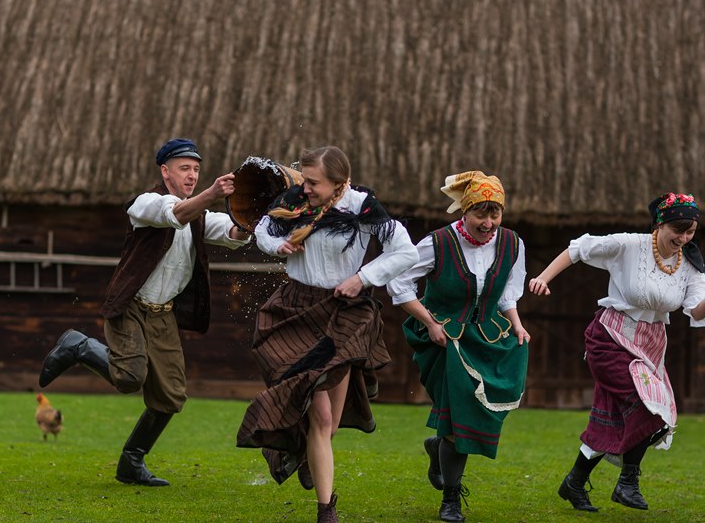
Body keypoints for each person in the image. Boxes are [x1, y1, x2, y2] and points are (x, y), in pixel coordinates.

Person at [38, 138, 252, 486]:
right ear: (165, 171)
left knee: (170, 396)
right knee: (130, 377)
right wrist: (213, 193)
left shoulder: (199, 217)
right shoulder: (146, 203)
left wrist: (252, 215)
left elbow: (232, 232)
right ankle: (80, 346)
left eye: (196, 169)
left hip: (162, 315)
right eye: (184, 168)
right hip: (130, 306)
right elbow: (175, 214)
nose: (192, 175)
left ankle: (131, 462)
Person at [236, 146, 418, 523]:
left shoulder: (363, 207)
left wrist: (362, 278)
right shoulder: (293, 200)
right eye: (305, 180)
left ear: (340, 183)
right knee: (320, 417)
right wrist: (280, 245)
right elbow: (263, 231)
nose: (305, 188)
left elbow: (405, 252)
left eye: (314, 182)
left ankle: (301, 452)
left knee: (330, 425)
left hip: (343, 313)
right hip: (295, 311)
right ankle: (326, 510)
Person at [529, 192, 705, 512]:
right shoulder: (630, 244)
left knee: (611, 420)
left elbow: (695, 312)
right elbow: (578, 248)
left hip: (651, 347)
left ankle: (574, 483)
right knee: (650, 407)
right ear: (659, 224)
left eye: (690, 231)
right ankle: (628, 483)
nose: (684, 238)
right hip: (610, 339)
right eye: (678, 230)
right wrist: (543, 277)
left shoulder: (690, 266)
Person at [386, 171, 530, 523]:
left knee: (473, 412)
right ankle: (450, 500)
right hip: (441, 338)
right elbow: (399, 283)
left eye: (495, 214)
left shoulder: (512, 244)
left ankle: (439, 446)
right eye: (480, 213)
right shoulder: (437, 243)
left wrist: (516, 323)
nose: (488, 223)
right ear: (465, 211)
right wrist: (430, 323)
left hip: (486, 337)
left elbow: (507, 294)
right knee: (458, 416)